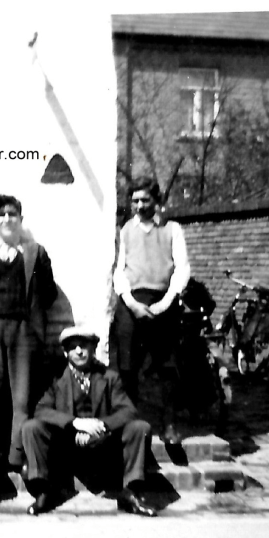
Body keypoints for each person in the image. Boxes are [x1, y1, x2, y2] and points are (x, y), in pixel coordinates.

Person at [21, 326, 157, 517]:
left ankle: (130, 493)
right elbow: (42, 410)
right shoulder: (55, 378)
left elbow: (128, 410)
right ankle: (44, 492)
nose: (79, 351)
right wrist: (75, 423)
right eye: (73, 347)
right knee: (32, 427)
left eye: (84, 346)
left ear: (93, 349)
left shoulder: (109, 377)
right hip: (65, 445)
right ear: (65, 353)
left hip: (103, 445)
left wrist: (101, 426)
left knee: (140, 427)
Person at [0, 194, 58, 472]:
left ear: (21, 219)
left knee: (22, 395)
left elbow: (49, 293)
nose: (7, 219)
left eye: (12, 214)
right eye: (1, 215)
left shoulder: (35, 252)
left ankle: (17, 456)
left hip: (24, 330)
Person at [110, 176, 190, 445]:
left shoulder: (171, 229)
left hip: (162, 301)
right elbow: (119, 271)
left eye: (145, 200)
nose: (140, 205)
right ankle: (131, 424)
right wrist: (132, 304)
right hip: (131, 303)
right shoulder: (125, 231)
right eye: (135, 201)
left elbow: (182, 268)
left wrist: (165, 303)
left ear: (157, 200)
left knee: (168, 365)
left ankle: (169, 425)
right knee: (127, 366)